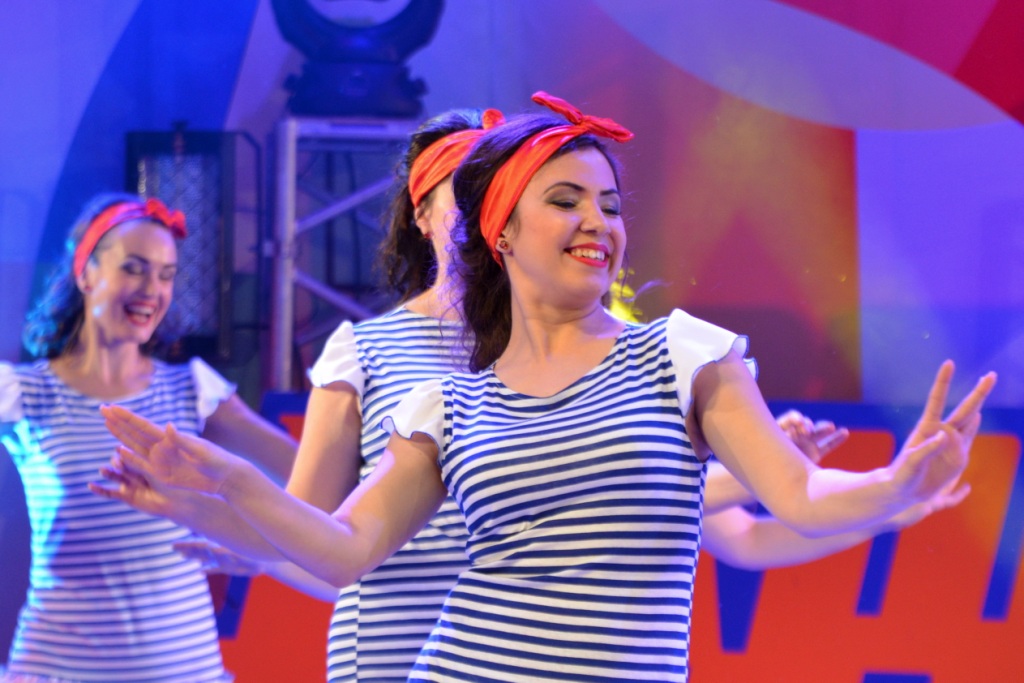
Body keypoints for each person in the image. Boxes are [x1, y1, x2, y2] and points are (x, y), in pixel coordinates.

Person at [97, 94, 994, 681]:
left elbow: (792, 499)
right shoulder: (445, 403)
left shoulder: (684, 354)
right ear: (501, 232)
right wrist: (223, 486)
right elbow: (339, 548)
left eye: (610, 203)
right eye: (566, 200)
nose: (597, 220)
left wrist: (895, 484)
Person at [0, 194, 297, 683]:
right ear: (86, 273)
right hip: (56, 670)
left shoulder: (193, 391)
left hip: (187, 672)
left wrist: (265, 546)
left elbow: (311, 475)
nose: (152, 290)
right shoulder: (24, 393)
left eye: (166, 274)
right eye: (134, 269)